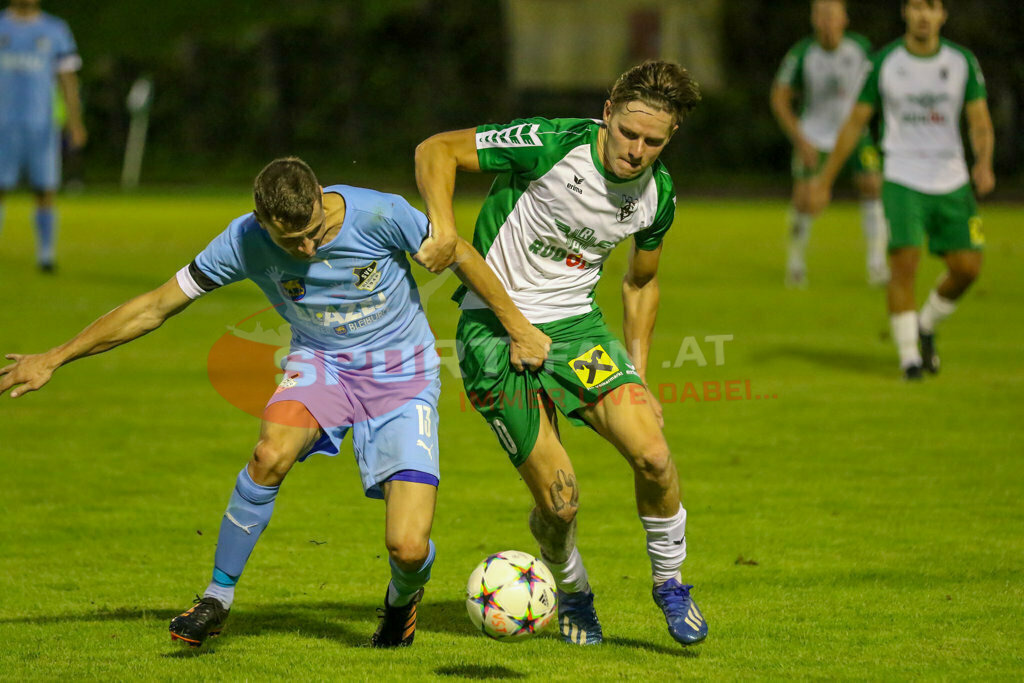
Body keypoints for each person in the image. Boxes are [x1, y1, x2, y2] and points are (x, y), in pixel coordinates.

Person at [0, 157, 550, 648]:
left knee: (408, 547)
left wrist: (519, 328)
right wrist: (56, 356)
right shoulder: (242, 242)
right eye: (293, 243)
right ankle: (217, 599)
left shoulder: (380, 214)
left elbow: (462, 256)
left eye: (315, 232)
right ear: (263, 222)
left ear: (319, 199)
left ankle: (403, 601)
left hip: (402, 376)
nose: (309, 250)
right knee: (269, 454)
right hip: (321, 366)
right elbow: (154, 306)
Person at [414, 60, 708, 647]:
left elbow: (641, 282)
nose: (635, 150)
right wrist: (444, 227)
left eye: (653, 141)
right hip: (492, 331)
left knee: (653, 454)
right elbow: (437, 149)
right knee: (561, 501)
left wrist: (640, 374)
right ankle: (573, 589)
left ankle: (671, 583)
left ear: (669, 138)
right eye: (628, 133)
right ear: (607, 114)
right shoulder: (551, 144)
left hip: (577, 331)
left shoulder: (657, 195)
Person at [809, 0, 994, 379]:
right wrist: (825, 179)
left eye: (932, 7)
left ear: (943, 14)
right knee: (904, 263)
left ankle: (925, 326)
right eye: (916, 6)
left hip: (951, 178)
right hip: (903, 176)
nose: (924, 15)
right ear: (904, 12)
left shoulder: (961, 62)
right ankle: (910, 359)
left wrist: (984, 161)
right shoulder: (884, 63)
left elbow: (979, 120)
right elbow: (855, 122)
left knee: (967, 268)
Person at [770, 0, 888, 288]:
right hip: (815, 137)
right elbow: (779, 97)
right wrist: (800, 139)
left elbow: (880, 88)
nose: (827, 22)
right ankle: (796, 264)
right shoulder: (802, 54)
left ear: (844, 19)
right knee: (807, 200)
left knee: (873, 185)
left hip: (854, 135)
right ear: (814, 20)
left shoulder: (860, 48)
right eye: (821, 15)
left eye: (832, 15)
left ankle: (876, 264)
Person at [0, 0, 87, 272]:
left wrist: (75, 121)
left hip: (41, 125)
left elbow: (68, 78)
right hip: (2, 124)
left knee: (45, 189)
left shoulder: (55, 29)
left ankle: (46, 255)